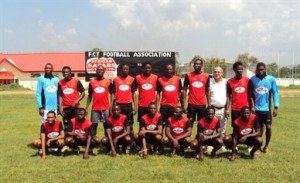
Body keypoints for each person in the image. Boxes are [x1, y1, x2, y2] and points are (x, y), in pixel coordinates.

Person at [250, 62, 279, 153]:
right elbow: (250, 94)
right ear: (256, 70)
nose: (260, 71)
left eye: (262, 69)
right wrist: (252, 106)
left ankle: (266, 146)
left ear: (265, 69)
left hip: (266, 109)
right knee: (259, 129)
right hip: (256, 110)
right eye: (258, 69)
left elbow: (275, 93)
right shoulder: (253, 79)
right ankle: (258, 146)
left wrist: (276, 106)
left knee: (269, 127)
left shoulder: (271, 79)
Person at [111, 63, 137, 143]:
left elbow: (133, 93)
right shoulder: (115, 80)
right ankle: (117, 141)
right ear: (121, 70)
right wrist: (111, 106)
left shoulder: (132, 79)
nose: (125, 70)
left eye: (127, 69)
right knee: (118, 125)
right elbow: (113, 93)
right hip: (118, 105)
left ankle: (132, 143)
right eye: (124, 69)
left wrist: (135, 106)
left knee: (130, 125)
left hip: (128, 105)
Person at [86, 65, 113, 135]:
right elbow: (90, 95)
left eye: (101, 70)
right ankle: (93, 141)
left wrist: (111, 106)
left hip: (106, 108)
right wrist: (86, 107)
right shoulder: (91, 82)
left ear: (104, 71)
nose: (100, 71)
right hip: (95, 108)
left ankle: (107, 141)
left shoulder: (108, 81)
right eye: (98, 70)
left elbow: (112, 94)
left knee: (106, 125)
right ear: (96, 71)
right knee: (94, 126)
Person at [183, 58, 210, 128]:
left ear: (201, 65)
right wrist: (184, 105)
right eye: (195, 64)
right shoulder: (188, 75)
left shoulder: (206, 76)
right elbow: (184, 90)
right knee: (189, 124)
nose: (196, 65)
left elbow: (207, 90)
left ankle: (199, 138)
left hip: (202, 104)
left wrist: (209, 105)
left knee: (202, 124)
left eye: (198, 64)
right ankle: (187, 138)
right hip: (191, 104)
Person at [227, 61, 253, 127]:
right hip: (235, 109)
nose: (240, 71)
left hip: (245, 109)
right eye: (238, 69)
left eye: (241, 69)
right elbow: (229, 97)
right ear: (234, 70)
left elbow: (250, 95)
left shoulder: (247, 80)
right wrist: (227, 109)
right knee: (236, 127)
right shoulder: (230, 82)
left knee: (247, 126)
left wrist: (252, 106)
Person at [135, 62, 159, 129]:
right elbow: (134, 92)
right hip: (142, 105)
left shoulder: (155, 77)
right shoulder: (138, 77)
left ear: (151, 69)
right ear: (143, 68)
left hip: (152, 106)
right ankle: (141, 138)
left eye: (149, 68)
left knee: (153, 124)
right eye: (146, 68)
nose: (147, 69)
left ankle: (153, 138)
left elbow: (158, 93)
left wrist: (157, 105)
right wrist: (136, 105)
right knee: (141, 124)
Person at [210, 66, 228, 138]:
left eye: (218, 72)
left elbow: (228, 96)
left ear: (222, 73)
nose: (217, 73)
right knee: (211, 126)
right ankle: (210, 143)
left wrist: (227, 109)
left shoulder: (226, 82)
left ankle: (222, 142)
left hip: (223, 109)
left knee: (223, 127)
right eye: (215, 72)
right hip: (212, 109)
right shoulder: (209, 81)